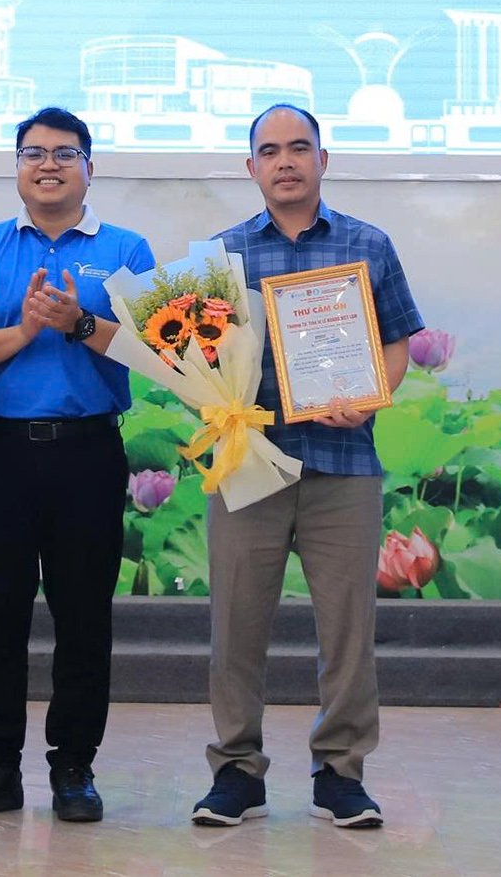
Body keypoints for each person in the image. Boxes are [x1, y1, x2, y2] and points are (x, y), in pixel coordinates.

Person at [190, 104, 420, 831]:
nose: (285, 161)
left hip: (343, 464)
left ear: (324, 158)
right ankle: (235, 770)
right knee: (236, 624)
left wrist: (369, 396)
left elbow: (396, 342)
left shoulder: (367, 244)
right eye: (269, 150)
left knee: (348, 629)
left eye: (298, 147)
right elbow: (196, 356)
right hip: (248, 462)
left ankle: (341, 773)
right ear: (250, 166)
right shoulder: (221, 256)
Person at [0, 108, 154, 824]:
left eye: (64, 152)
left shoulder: (125, 248)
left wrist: (79, 324)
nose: (48, 164)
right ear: (18, 166)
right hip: (1, 451)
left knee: (84, 617)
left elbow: (153, 350)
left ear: (90, 165)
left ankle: (74, 767)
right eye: (33, 152)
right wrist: (27, 328)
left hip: (88, 451)